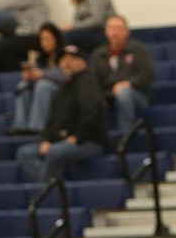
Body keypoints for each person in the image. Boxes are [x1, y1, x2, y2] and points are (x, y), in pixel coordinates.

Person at [16, 44, 108, 184]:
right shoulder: (62, 89)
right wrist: (45, 139)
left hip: (89, 141)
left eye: (72, 59)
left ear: (82, 62)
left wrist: (78, 136)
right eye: (64, 59)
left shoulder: (88, 81)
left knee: (55, 152)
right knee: (24, 153)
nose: (67, 63)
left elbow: (91, 112)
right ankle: (57, 187)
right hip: (62, 141)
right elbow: (52, 119)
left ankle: (47, 192)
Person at [90, 15, 154, 135]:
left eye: (119, 29)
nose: (115, 33)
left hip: (136, 94)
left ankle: (126, 136)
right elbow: (93, 80)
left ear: (127, 31)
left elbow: (147, 76)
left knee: (123, 93)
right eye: (112, 28)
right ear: (106, 32)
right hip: (107, 96)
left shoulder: (139, 50)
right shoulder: (98, 54)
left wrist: (128, 83)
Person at [10, 23, 65, 136]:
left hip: (62, 89)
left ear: (56, 39)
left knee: (43, 85)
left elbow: (66, 74)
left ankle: (37, 126)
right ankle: (20, 125)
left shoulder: (65, 55)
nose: (45, 43)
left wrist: (43, 74)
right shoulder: (41, 58)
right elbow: (37, 74)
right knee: (23, 86)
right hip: (42, 86)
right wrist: (30, 76)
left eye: (48, 39)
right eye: (42, 40)